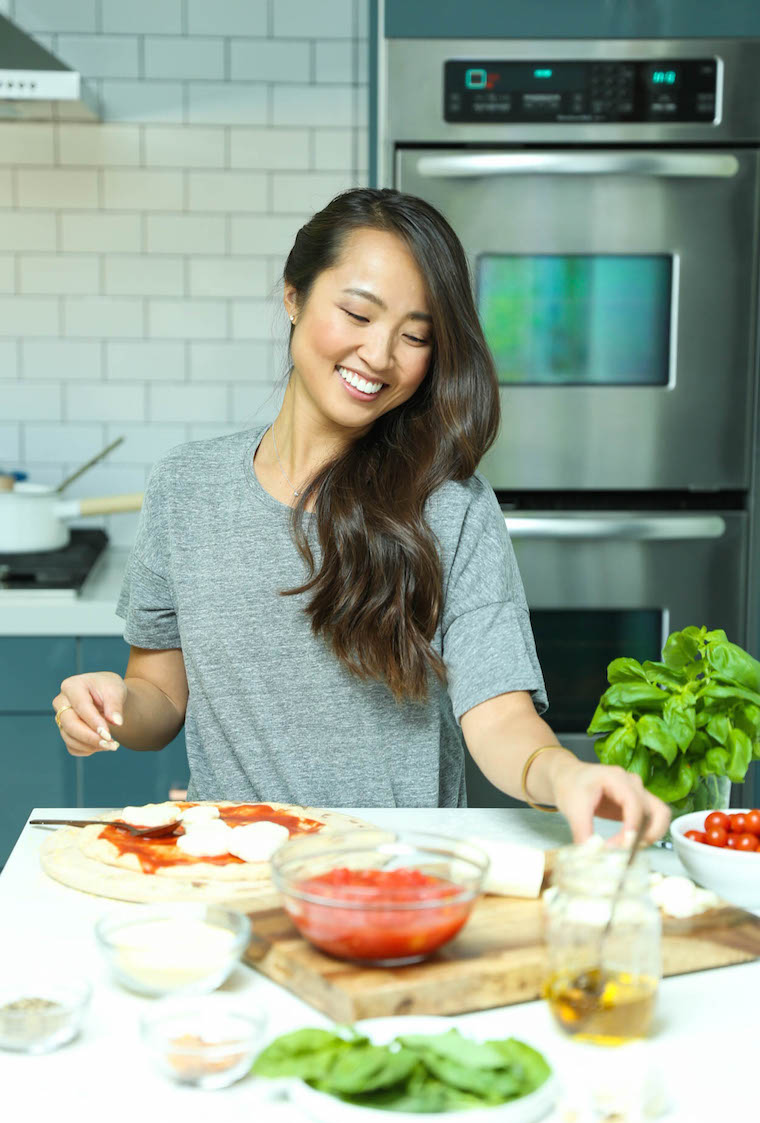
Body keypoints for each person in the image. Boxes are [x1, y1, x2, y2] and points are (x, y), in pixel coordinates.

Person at [52, 187, 669, 845]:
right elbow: (162, 696)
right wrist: (112, 709)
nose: (379, 355)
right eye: (357, 313)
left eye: (415, 336)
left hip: (401, 878)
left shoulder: (450, 506)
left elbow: (497, 716)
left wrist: (562, 775)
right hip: (232, 871)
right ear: (293, 295)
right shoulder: (185, 486)